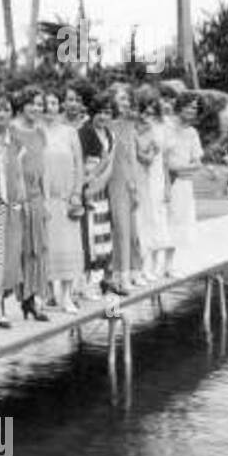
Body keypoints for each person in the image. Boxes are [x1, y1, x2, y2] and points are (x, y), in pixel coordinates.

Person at [40, 88, 85, 314]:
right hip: (46, 199)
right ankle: (48, 294)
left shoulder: (70, 133)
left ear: (59, 107)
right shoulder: (36, 132)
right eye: (45, 105)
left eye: (54, 104)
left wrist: (77, 192)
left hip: (66, 199)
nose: (50, 109)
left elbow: (79, 164)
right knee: (47, 246)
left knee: (68, 246)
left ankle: (67, 296)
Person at [0, 90, 24, 327]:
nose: (2, 114)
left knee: (6, 255)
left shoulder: (14, 140)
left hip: (8, 203)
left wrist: (19, 199)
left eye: (6, 109)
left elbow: (18, 171)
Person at [14, 87, 51, 321]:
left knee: (40, 248)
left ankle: (34, 298)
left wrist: (44, 200)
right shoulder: (13, 131)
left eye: (39, 104)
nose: (36, 109)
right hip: (20, 197)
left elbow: (43, 167)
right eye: (32, 104)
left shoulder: (40, 132)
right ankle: (24, 297)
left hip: (37, 196)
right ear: (22, 105)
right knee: (23, 249)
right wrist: (21, 198)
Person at [77, 90, 116, 299]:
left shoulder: (109, 134)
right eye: (100, 112)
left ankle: (99, 279)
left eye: (108, 112)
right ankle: (85, 284)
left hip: (102, 190)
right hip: (88, 186)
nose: (103, 116)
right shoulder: (85, 132)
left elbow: (109, 162)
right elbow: (80, 163)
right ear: (93, 112)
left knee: (102, 236)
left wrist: (100, 182)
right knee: (88, 236)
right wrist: (89, 186)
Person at [104, 83, 141, 295]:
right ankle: (111, 274)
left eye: (127, 99)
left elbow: (132, 158)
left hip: (124, 181)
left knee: (126, 229)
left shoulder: (128, 125)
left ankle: (125, 273)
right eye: (121, 98)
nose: (125, 102)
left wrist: (133, 184)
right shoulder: (107, 124)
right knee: (112, 229)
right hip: (108, 180)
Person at [133, 86, 171, 282]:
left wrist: (167, 186)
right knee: (141, 220)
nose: (148, 111)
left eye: (152, 106)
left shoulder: (162, 126)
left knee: (156, 220)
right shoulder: (136, 126)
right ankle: (141, 267)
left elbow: (164, 159)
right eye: (145, 106)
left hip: (157, 177)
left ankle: (156, 265)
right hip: (140, 176)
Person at [164, 93, 203, 278]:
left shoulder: (192, 132)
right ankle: (150, 267)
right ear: (179, 106)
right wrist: (176, 169)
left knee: (178, 224)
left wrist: (180, 169)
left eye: (194, 108)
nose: (191, 110)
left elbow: (197, 163)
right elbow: (164, 161)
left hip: (183, 184)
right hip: (164, 181)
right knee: (161, 221)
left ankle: (168, 265)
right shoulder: (167, 126)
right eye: (188, 106)